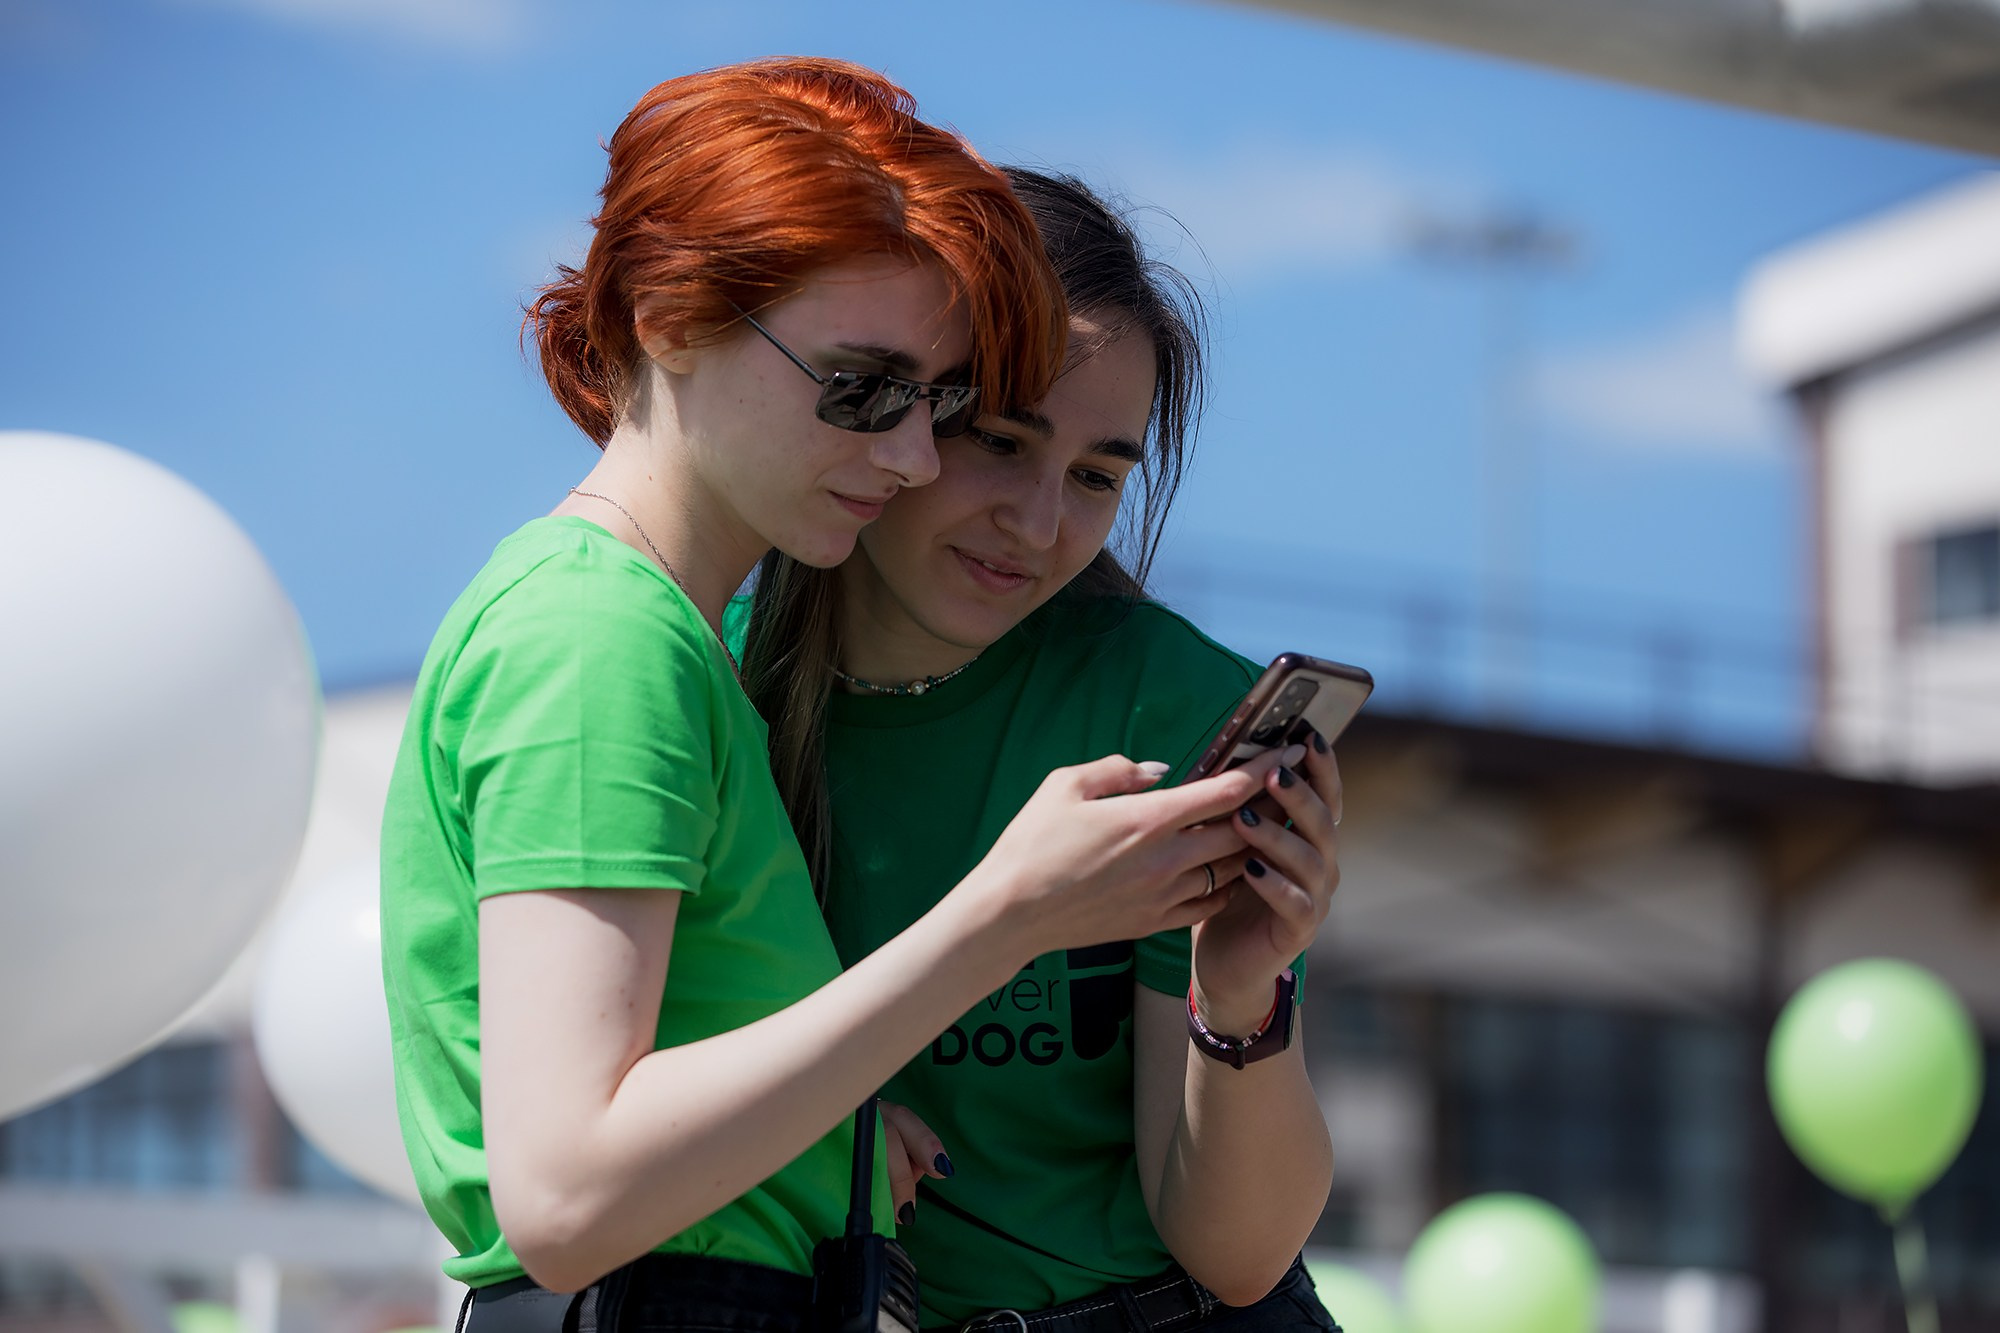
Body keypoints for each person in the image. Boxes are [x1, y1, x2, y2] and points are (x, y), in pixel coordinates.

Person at [378, 65, 1281, 1331]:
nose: (908, 454)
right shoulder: (605, 637)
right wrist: (1007, 915)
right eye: (861, 391)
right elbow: (568, 1190)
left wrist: (831, 1140)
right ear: (669, 315)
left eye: (928, 404)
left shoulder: (650, 634)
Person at [738, 169, 1345, 1329]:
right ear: (898, 410)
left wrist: (1239, 993)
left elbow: (1240, 1254)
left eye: (1096, 477)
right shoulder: (708, 680)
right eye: (999, 441)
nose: (1038, 523)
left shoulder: (1174, 708)